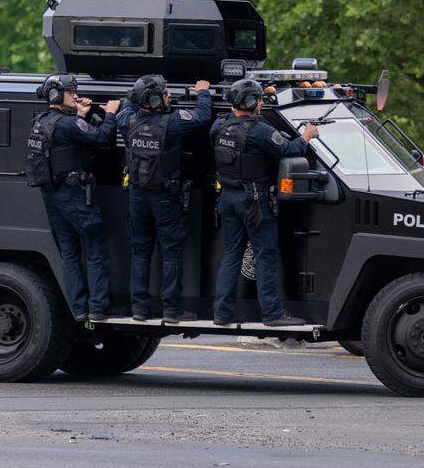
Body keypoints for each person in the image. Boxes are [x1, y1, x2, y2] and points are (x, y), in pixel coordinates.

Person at [209, 78, 318, 327]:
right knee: (265, 255)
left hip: (227, 197)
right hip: (254, 200)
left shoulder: (218, 126)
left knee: (231, 255)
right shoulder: (260, 131)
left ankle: (222, 314)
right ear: (249, 101)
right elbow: (290, 150)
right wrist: (307, 136)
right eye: (257, 99)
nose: (260, 102)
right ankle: (272, 314)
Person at [25, 74, 121, 323]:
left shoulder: (41, 121)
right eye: (70, 92)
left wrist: (81, 114)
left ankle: (79, 309)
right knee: (95, 249)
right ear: (57, 95)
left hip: (52, 195)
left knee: (68, 253)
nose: (76, 96)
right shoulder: (68, 124)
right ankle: (98, 308)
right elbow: (102, 139)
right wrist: (110, 114)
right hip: (74, 195)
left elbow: (67, 142)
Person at [116, 75, 212, 323]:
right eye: (166, 93)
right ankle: (172, 310)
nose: (169, 96)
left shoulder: (127, 120)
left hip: (137, 196)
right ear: (156, 98)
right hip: (165, 197)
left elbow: (126, 105)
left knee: (140, 252)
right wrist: (202, 92)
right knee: (171, 253)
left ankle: (139, 309)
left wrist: (135, 94)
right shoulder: (172, 123)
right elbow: (202, 116)